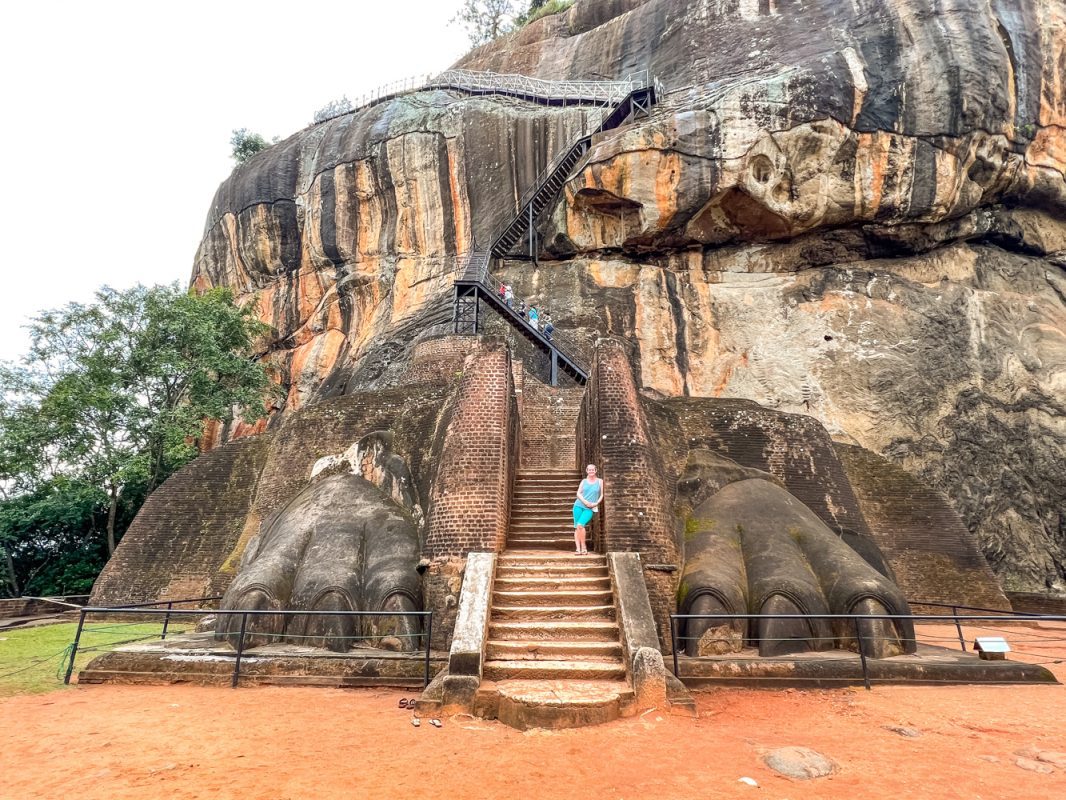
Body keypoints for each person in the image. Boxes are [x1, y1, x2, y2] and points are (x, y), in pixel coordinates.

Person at [572, 464, 603, 555]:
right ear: (587, 471)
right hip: (578, 505)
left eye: (592, 470)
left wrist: (596, 503)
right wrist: (585, 501)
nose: (591, 471)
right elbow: (578, 493)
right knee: (577, 527)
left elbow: (602, 494)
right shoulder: (584, 481)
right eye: (589, 470)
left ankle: (584, 547)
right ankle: (578, 549)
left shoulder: (600, 481)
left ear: (595, 470)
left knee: (580, 525)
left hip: (590, 507)